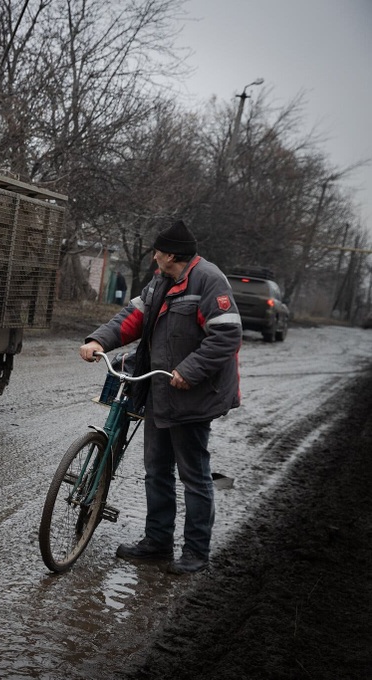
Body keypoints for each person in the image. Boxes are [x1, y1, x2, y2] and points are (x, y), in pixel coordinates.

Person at [78, 219, 242, 574]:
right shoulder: (161, 281)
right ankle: (157, 542)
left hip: (192, 394)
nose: (154, 257)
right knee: (156, 470)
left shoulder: (209, 280)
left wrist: (191, 370)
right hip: (160, 389)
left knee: (193, 475)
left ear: (169, 254)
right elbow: (132, 317)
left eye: (156, 251)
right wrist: (98, 341)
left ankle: (196, 552)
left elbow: (227, 336)